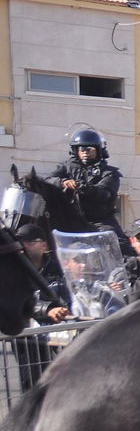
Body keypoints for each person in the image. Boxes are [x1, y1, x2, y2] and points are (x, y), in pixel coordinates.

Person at [12, 223, 71, 390]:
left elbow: (69, 294)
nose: (24, 246)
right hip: (29, 337)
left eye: (29, 242)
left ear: (44, 245)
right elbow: (20, 301)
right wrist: (47, 310)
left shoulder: (59, 267)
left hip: (62, 331)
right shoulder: (14, 271)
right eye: (21, 242)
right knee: (32, 384)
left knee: (66, 379)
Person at [44, 126, 126, 236]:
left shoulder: (109, 172)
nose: (85, 152)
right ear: (76, 151)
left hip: (99, 221)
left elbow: (105, 193)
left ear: (98, 150)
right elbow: (48, 180)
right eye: (81, 149)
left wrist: (86, 188)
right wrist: (63, 182)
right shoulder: (66, 167)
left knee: (113, 237)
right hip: (69, 220)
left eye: (90, 149)